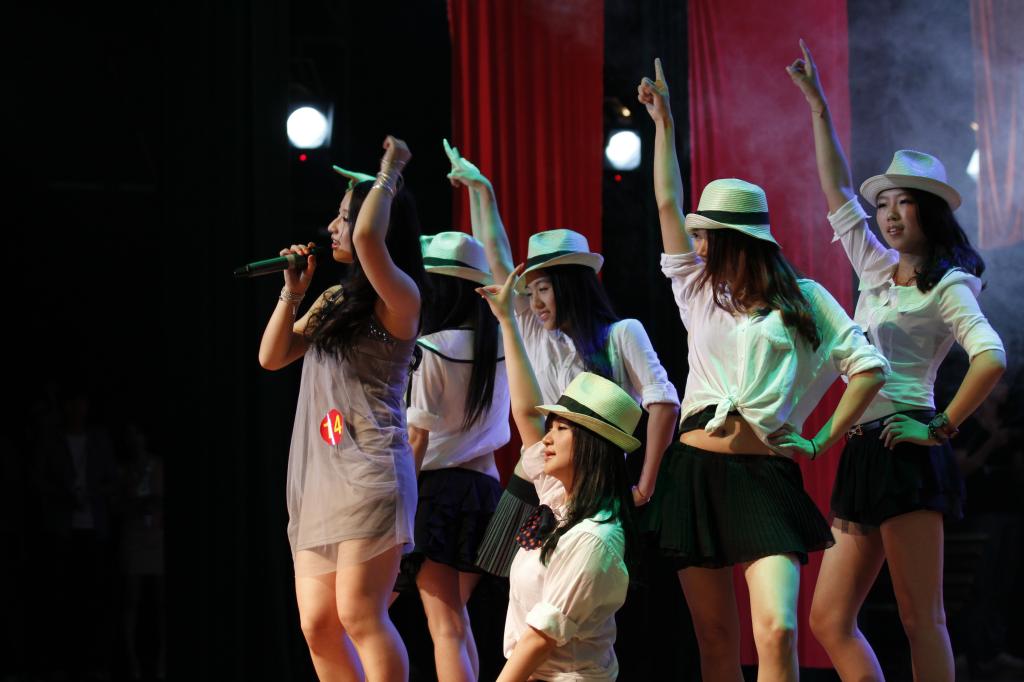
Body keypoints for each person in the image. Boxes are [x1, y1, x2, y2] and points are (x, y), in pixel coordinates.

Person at [638, 58, 890, 681]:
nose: (697, 245)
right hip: (694, 473)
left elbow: (867, 368)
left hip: (764, 476)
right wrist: (663, 122)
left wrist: (822, 439)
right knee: (716, 639)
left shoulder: (806, 299)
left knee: (777, 629)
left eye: (707, 235)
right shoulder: (698, 290)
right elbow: (667, 201)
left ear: (736, 240)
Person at [788, 40, 1007, 681]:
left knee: (921, 618)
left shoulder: (949, 284)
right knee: (829, 619)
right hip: (863, 448)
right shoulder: (876, 270)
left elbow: (991, 356)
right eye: (882, 204)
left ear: (927, 211)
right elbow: (836, 190)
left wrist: (939, 425)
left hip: (907, 447)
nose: (887, 215)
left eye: (901, 203)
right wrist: (817, 105)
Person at [442, 140, 680, 577]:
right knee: (505, 588)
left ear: (571, 286)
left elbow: (663, 404)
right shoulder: (533, 329)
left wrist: (645, 486)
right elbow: (497, 258)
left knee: (579, 590)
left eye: (544, 289)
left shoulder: (622, 334)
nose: (534, 302)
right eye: (530, 292)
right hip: (536, 477)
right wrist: (482, 192)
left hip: (595, 489)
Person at [258, 136, 425, 681]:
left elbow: (370, 236)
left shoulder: (401, 298)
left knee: (358, 612)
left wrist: (389, 170)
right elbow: (272, 357)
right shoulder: (334, 301)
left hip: (372, 471)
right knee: (317, 623)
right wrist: (293, 291)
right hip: (323, 478)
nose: (333, 226)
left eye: (344, 217)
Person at [479, 265, 640, 682]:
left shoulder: (595, 537)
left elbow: (540, 640)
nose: (547, 438)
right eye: (551, 428)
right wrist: (507, 319)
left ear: (591, 445)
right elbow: (526, 413)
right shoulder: (558, 500)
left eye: (562, 429)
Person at [401, 231, 510, 682]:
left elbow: (416, 438)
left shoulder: (431, 347)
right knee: (456, 618)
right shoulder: (502, 343)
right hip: (487, 492)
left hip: (438, 492)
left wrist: (400, 506)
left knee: (444, 624)